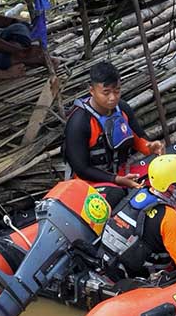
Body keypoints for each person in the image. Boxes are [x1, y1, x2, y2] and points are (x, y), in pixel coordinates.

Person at [98, 154, 176, 279]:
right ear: (171, 187)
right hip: (142, 273)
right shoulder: (169, 216)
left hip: (113, 263)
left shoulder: (138, 192)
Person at [63, 61, 164, 207]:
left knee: (163, 179)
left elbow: (138, 137)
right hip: (89, 183)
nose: (112, 98)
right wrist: (116, 180)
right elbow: (82, 169)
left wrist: (151, 147)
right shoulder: (79, 122)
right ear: (92, 90)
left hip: (121, 174)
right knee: (117, 195)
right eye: (106, 92)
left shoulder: (122, 108)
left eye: (117, 91)